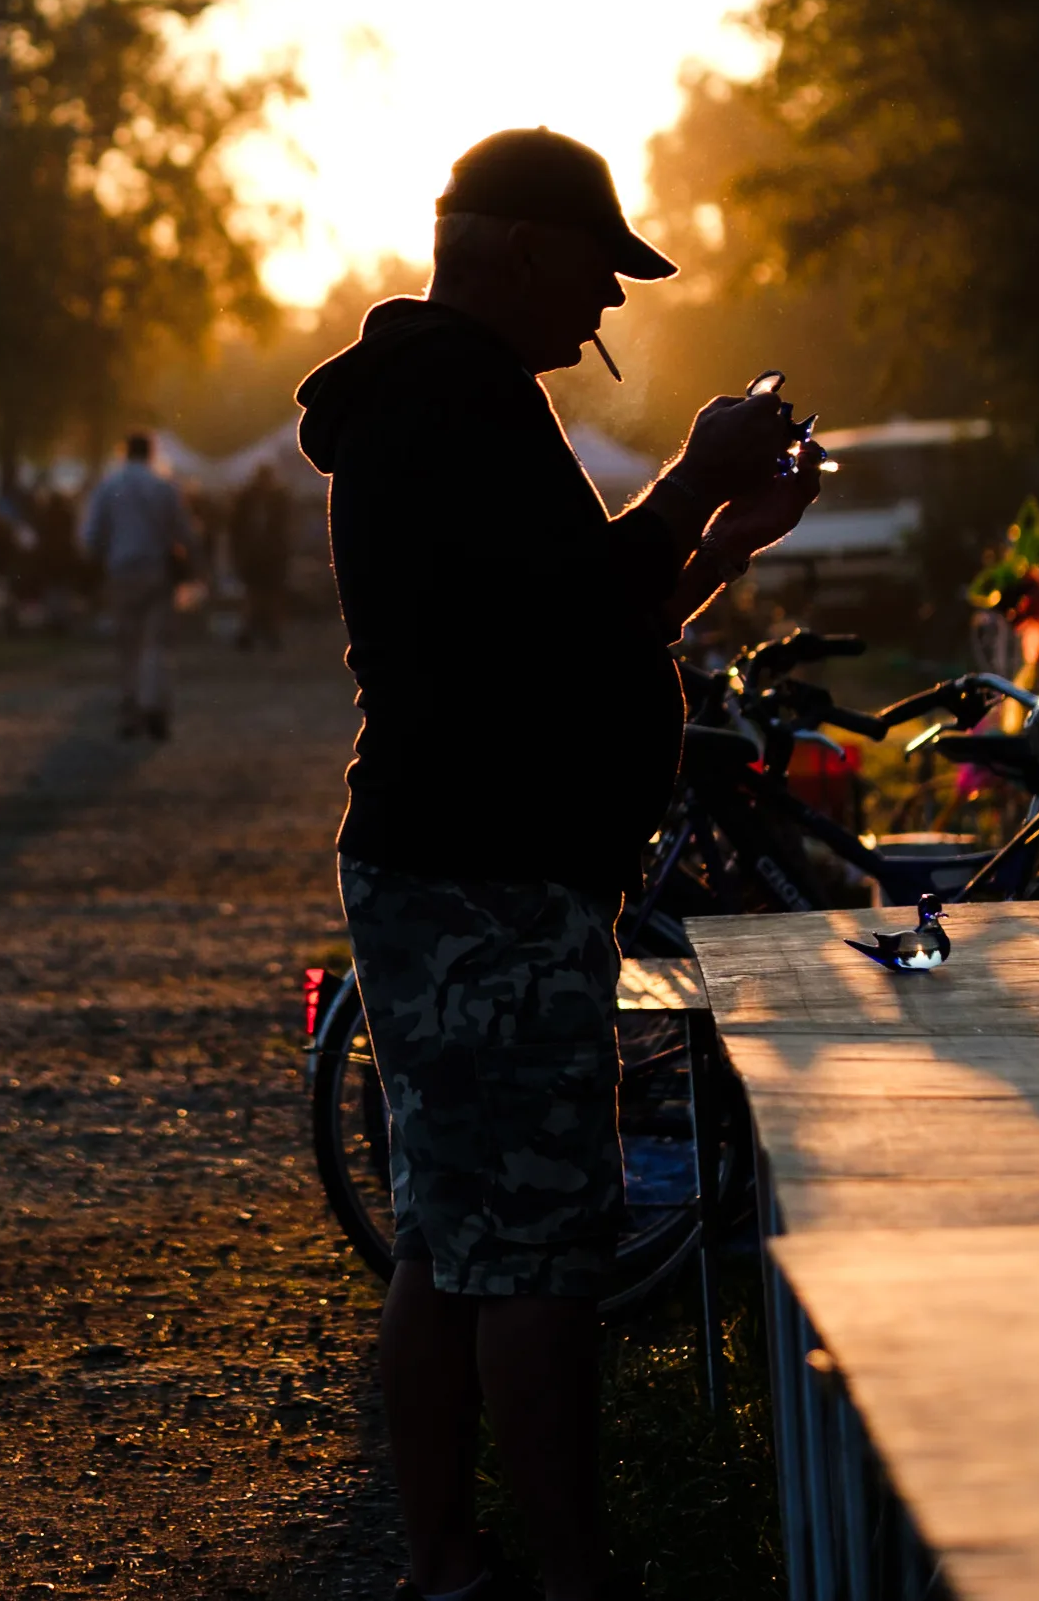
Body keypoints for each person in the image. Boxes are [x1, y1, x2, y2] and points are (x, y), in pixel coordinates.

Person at [296, 127, 821, 1601]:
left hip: (463, 866)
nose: (608, 304)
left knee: (450, 1235)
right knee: (532, 1254)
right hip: (486, 874)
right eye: (600, 269)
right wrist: (690, 474)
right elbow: (568, 607)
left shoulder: (444, 393)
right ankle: (568, 1578)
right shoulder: (455, 398)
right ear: (523, 248)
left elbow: (566, 628)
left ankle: (452, 1565)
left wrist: (719, 543)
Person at [79, 433, 196, 740]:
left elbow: (90, 537)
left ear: (124, 452)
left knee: (127, 646)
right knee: (156, 644)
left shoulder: (108, 487)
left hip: (121, 573)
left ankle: (130, 707)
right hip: (157, 572)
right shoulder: (164, 486)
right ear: (151, 453)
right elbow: (184, 532)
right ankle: (154, 705)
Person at [228, 462, 292, 650]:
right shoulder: (266, 500)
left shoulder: (267, 500)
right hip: (260, 556)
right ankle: (259, 632)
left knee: (261, 595)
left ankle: (260, 632)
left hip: (264, 555)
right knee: (260, 595)